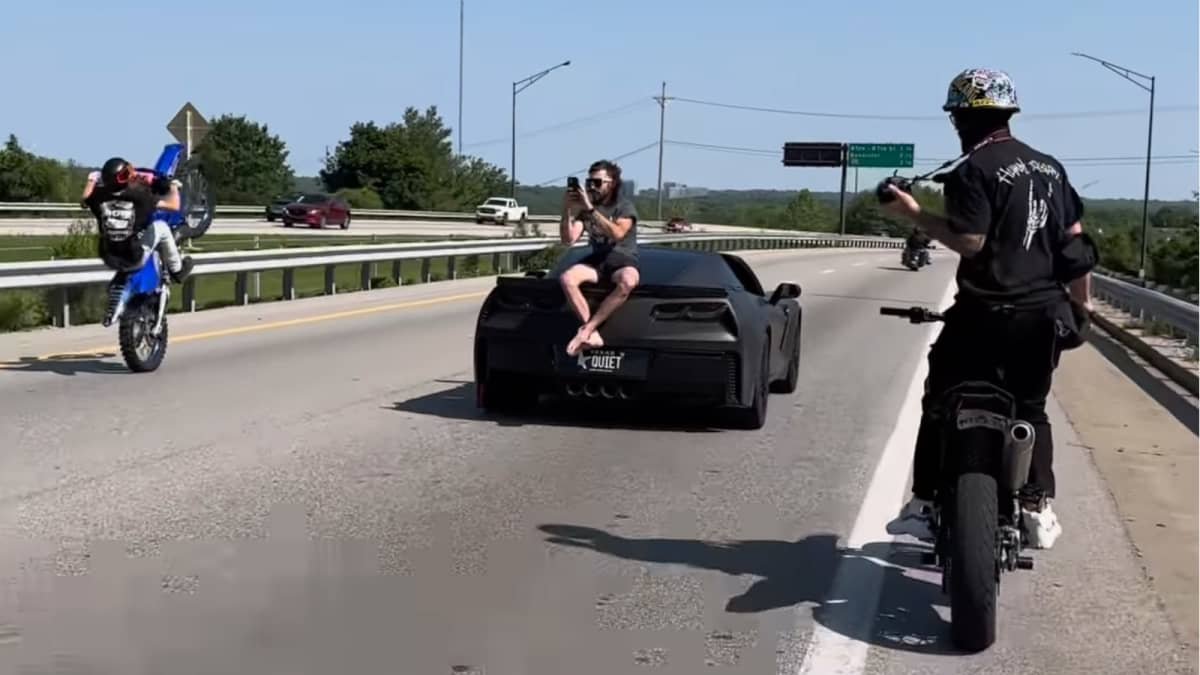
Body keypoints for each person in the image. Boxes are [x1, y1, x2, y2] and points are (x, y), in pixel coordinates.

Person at [878, 68, 1097, 550]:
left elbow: (972, 243)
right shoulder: (1049, 167)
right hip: (1042, 315)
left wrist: (911, 213)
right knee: (1032, 407)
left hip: (983, 314)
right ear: (1008, 113)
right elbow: (1076, 246)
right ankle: (1038, 506)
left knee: (940, 400)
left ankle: (925, 503)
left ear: (959, 119)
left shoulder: (971, 172)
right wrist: (1082, 310)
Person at [82, 157, 195, 322]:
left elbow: (85, 198)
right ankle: (177, 270)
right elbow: (174, 206)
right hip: (134, 257)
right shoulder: (140, 197)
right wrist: (173, 187)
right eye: (129, 172)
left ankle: (119, 289)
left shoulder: (98, 197)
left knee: (122, 241)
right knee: (161, 227)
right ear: (123, 178)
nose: (133, 173)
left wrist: (92, 180)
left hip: (109, 257)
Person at [558, 159, 640, 356]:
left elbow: (618, 234)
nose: (591, 187)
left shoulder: (624, 206)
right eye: (589, 182)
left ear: (611, 183)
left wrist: (591, 210)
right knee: (567, 278)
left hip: (622, 259)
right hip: (598, 261)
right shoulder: (585, 210)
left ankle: (587, 329)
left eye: (597, 182)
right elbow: (568, 239)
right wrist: (567, 209)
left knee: (629, 281)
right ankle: (590, 332)